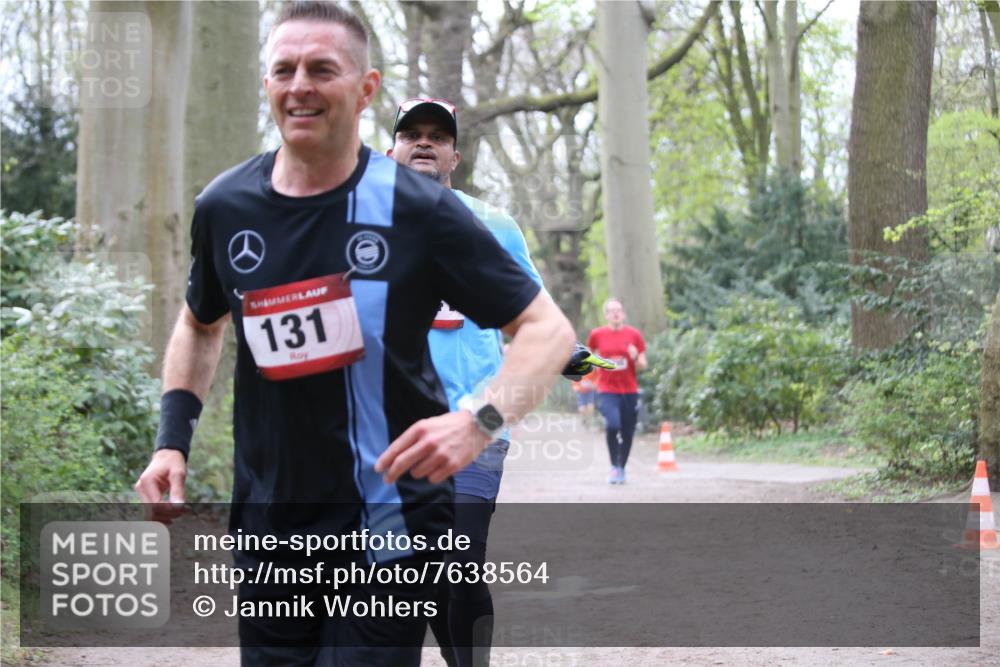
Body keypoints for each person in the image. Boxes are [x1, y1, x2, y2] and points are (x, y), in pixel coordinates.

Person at [132, 3, 575, 665]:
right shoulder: (226, 206)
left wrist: (479, 418)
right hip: (271, 526)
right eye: (283, 69)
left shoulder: (421, 210)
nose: (299, 84)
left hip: (389, 519)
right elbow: (200, 324)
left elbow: (547, 329)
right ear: (266, 83)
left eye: (321, 68)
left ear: (365, 89)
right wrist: (172, 442)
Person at [387, 98, 590, 667]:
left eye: (437, 136)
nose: (424, 143)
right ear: (390, 149)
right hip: (387, 429)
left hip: (476, 423)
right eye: (411, 134)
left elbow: (537, 314)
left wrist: (563, 352)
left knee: (461, 561)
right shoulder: (361, 224)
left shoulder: (495, 225)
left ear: (454, 154)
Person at [587, 298, 647, 484]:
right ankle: (614, 466)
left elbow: (644, 366)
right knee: (612, 425)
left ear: (623, 314)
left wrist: (635, 357)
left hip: (629, 390)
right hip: (607, 389)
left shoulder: (634, 335)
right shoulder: (597, 334)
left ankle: (621, 467)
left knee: (628, 431)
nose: (616, 313)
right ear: (606, 315)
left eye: (619, 310)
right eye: (612, 310)